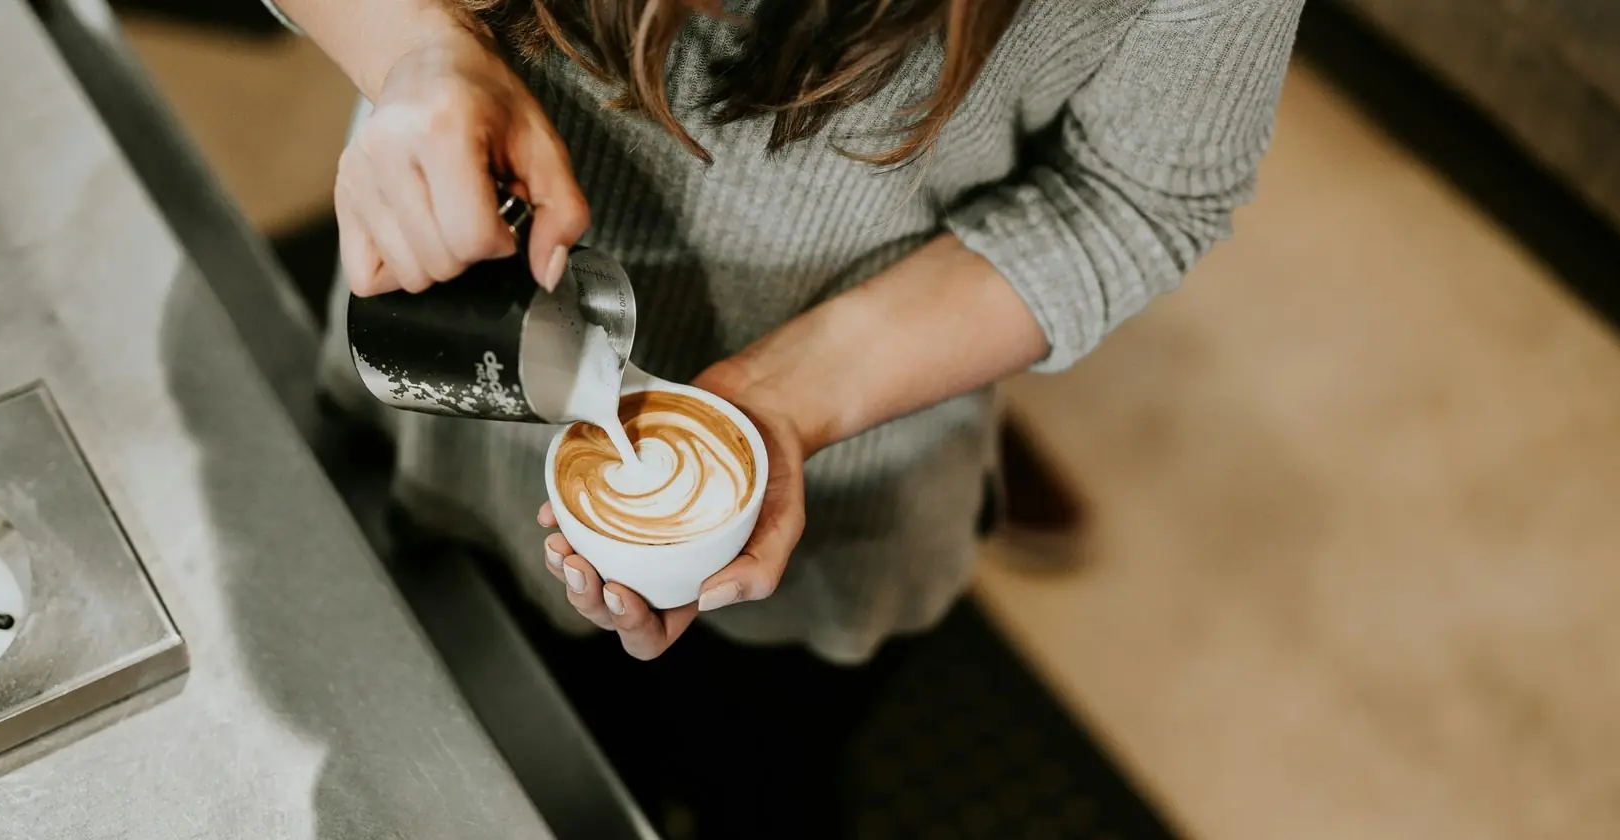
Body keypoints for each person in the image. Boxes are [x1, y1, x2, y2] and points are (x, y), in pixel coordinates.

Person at [266, 0, 1303, 833]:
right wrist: (410, 48)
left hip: (847, 491)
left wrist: (787, 400)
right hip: (464, 386)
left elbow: (1139, 196)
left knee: (759, 774)